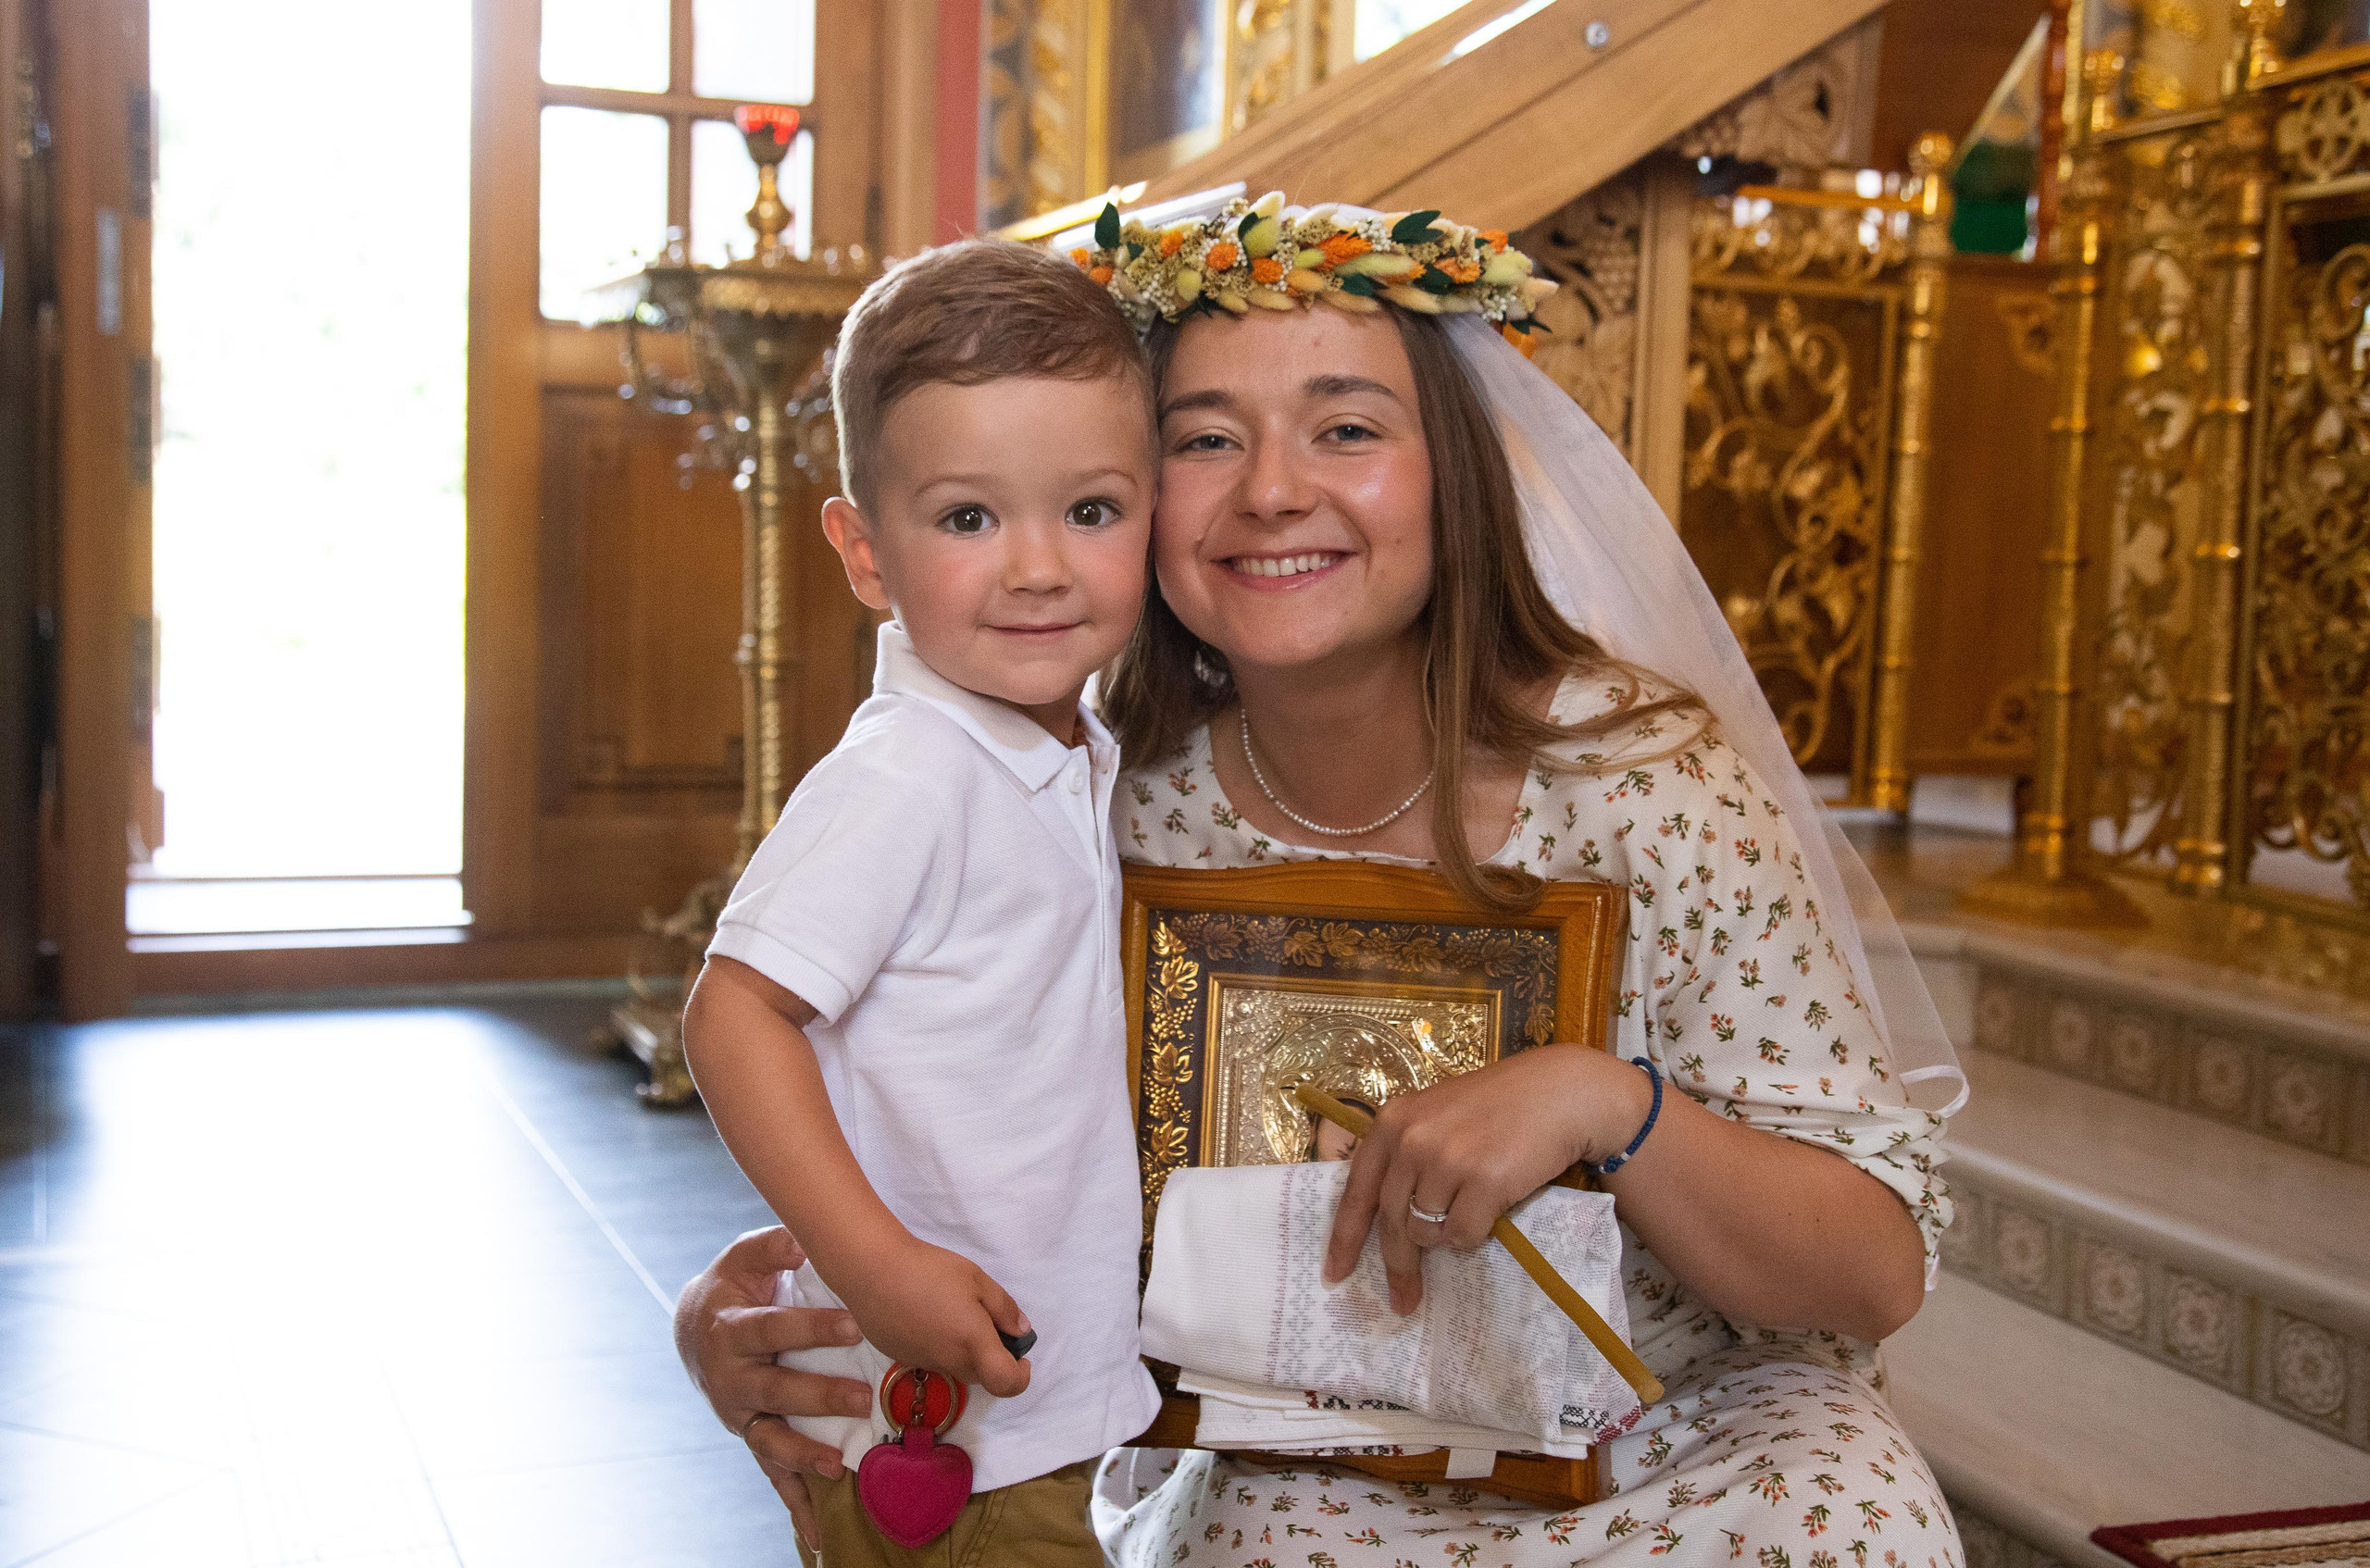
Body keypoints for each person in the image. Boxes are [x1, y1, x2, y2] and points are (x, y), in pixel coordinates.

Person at [678, 194, 1966, 1565]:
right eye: (1207, 439)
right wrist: (752, 1303)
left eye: (1346, 428)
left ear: (1448, 470)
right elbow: (971, 1110)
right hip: (1306, 1447)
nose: (1274, 489)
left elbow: (1873, 1271)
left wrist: (1603, 1097)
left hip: (1681, 1425)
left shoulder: (1652, 784)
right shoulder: (1121, 797)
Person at [677, 239, 1161, 1568]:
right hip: (955, 1429)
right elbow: (733, 1017)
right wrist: (877, 1265)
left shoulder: (1058, 739)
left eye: (1093, 510)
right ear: (865, 551)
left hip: (1045, 1409)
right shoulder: (911, 769)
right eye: (967, 518)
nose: (1039, 567)